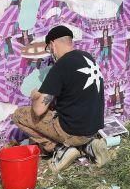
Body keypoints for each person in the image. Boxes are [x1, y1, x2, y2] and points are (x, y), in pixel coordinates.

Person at [13, 25, 111, 171]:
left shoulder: (61, 65)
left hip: (73, 130)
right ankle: (89, 146)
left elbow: (39, 110)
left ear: (52, 44)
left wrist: (35, 96)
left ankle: (61, 149)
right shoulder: (87, 57)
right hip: (92, 128)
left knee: (19, 115)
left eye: (49, 48)